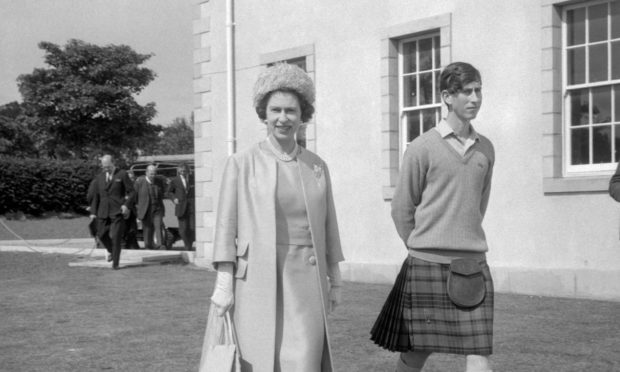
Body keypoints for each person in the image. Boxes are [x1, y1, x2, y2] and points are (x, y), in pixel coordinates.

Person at [207, 63, 345, 371]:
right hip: (257, 279)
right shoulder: (241, 163)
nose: (283, 118)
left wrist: (334, 279)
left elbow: (329, 226)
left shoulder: (316, 166)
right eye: (275, 110)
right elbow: (226, 227)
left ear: (303, 115)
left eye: (291, 111)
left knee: (304, 361)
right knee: (259, 359)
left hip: (306, 283)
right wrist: (224, 281)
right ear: (264, 114)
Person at [370, 62, 495, 372]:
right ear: (447, 96)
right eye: (466, 91)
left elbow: (478, 205)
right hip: (426, 264)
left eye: (478, 90)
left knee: (479, 353)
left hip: (472, 265)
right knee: (416, 353)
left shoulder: (486, 149)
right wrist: (421, 246)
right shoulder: (422, 147)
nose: (475, 98)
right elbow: (402, 209)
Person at [89, 154, 135, 269]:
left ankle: (116, 264)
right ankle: (111, 250)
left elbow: (132, 192)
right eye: (104, 167)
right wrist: (93, 212)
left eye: (108, 166)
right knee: (101, 234)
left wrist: (126, 205)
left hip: (117, 211)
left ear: (113, 163)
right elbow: (96, 196)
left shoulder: (122, 174)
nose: (106, 169)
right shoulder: (99, 177)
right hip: (103, 212)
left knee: (116, 237)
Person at [134, 164, 166, 250]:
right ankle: (148, 246)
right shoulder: (140, 182)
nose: (153, 176)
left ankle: (160, 245)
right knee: (147, 229)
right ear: (146, 173)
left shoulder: (159, 181)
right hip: (146, 209)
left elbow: (162, 194)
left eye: (155, 173)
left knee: (158, 226)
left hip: (157, 208)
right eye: (151, 174)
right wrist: (137, 208)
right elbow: (135, 196)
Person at [166, 163, 195, 251]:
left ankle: (189, 244)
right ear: (179, 171)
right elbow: (169, 192)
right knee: (183, 229)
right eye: (181, 171)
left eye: (185, 171)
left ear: (188, 171)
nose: (183, 172)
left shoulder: (193, 179)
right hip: (181, 207)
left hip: (191, 207)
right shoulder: (175, 180)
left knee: (192, 228)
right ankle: (187, 245)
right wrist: (174, 198)